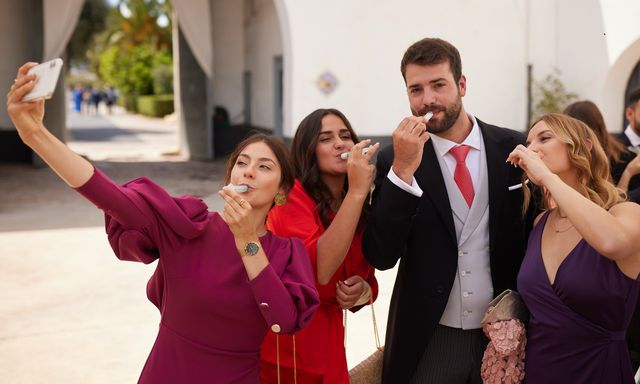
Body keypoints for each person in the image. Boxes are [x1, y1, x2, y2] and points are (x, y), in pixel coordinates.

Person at [7, 62, 320, 384]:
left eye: (264, 167)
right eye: (242, 162)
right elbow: (107, 193)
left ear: (282, 190)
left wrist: (247, 242)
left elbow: (284, 320)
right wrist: (35, 134)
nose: (249, 171)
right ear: (230, 176)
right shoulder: (188, 224)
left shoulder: (287, 253)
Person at [363, 37, 531, 383]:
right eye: (416, 90)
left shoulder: (512, 148)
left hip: (505, 332)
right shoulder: (393, 160)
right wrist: (403, 171)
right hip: (430, 334)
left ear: (462, 84)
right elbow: (381, 255)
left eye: (438, 85)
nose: (428, 100)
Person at [510, 113, 640, 383]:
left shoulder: (627, 213)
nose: (532, 149)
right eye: (529, 142)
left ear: (584, 147)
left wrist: (547, 177)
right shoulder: (540, 222)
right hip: (538, 371)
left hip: (597, 371)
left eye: (545, 138)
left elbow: (612, 242)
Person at [260, 108, 379, 384]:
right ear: (308, 150)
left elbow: (367, 277)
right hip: (287, 347)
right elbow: (319, 270)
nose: (340, 143)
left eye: (345, 135)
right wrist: (359, 192)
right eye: (326, 138)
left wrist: (364, 291)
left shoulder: (355, 204)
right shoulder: (289, 197)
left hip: (330, 342)